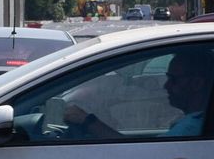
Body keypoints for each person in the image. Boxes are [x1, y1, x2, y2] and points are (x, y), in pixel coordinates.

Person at [66, 48, 212, 139]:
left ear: (197, 84)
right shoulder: (200, 122)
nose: (166, 86)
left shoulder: (191, 127)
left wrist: (88, 121)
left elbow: (143, 157)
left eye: (173, 80)